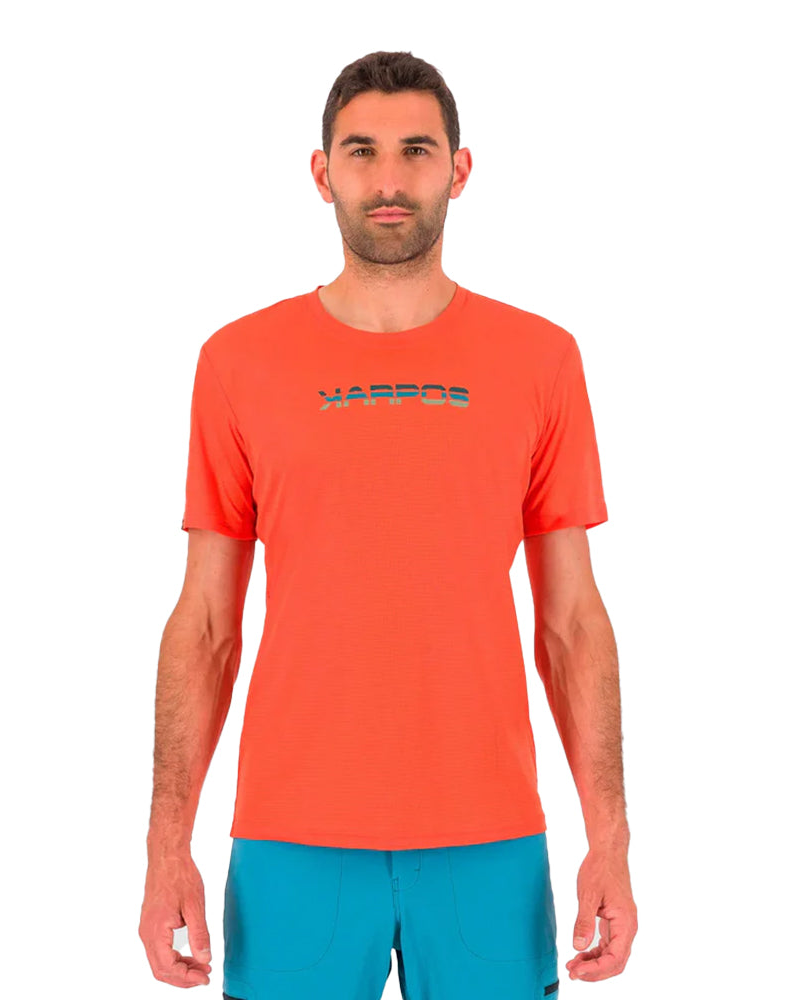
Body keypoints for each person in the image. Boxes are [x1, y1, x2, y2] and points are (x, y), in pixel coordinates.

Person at [139, 49, 637, 998]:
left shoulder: (541, 360)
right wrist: (168, 847)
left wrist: (609, 838)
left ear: (460, 169)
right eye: (361, 151)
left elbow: (573, 622)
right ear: (321, 172)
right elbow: (204, 625)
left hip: (491, 839)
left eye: (417, 149)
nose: (390, 178)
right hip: (291, 839)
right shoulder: (239, 362)